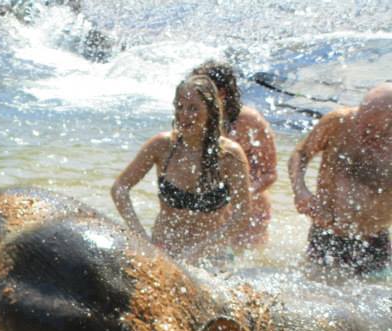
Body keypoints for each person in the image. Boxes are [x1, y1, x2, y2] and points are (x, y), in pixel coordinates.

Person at [110, 74, 252, 266]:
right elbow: (119, 188)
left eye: (193, 108)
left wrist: (199, 252)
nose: (184, 115)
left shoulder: (230, 155)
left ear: (211, 111)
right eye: (179, 107)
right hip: (164, 249)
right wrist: (140, 236)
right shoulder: (162, 146)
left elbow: (242, 213)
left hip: (211, 255)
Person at [288, 82, 392, 275]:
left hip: (373, 240)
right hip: (325, 233)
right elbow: (300, 153)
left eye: (371, 128)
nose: (361, 132)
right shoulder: (339, 121)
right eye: (360, 121)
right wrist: (300, 190)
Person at [193, 60, 278, 246]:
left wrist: (239, 198)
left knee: (244, 260)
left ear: (222, 93)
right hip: (206, 209)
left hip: (248, 210)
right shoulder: (190, 118)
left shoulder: (249, 120)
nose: (193, 94)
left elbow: (269, 173)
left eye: (201, 90)